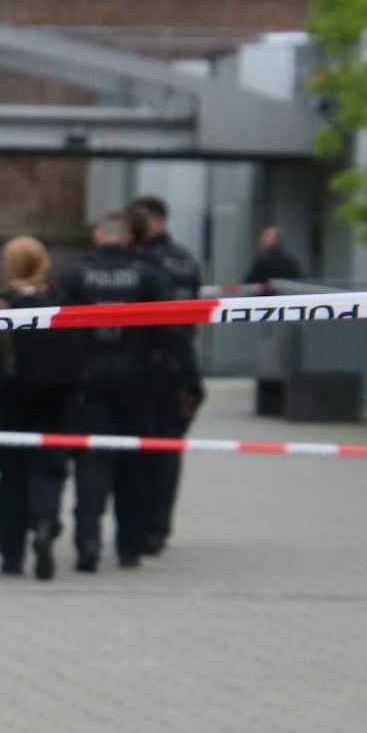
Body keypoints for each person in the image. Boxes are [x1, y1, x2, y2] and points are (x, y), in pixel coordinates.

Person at [57, 209, 175, 573]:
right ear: (128, 238)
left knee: (91, 464)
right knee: (133, 464)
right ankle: (129, 546)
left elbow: (59, 330)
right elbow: (169, 332)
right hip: (136, 380)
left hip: (88, 379)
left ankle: (87, 541)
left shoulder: (76, 274)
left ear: (98, 236)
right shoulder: (149, 275)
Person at [0, 236, 84, 580]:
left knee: (11, 477)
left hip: (12, 403)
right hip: (56, 403)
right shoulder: (61, 301)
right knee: (49, 472)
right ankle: (44, 525)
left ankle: (11, 555)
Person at [127, 196, 207, 556]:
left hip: (148, 367)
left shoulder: (144, 264)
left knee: (142, 452)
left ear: (152, 220)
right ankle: (159, 527)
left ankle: (141, 527)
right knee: (169, 452)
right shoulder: (188, 261)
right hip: (181, 363)